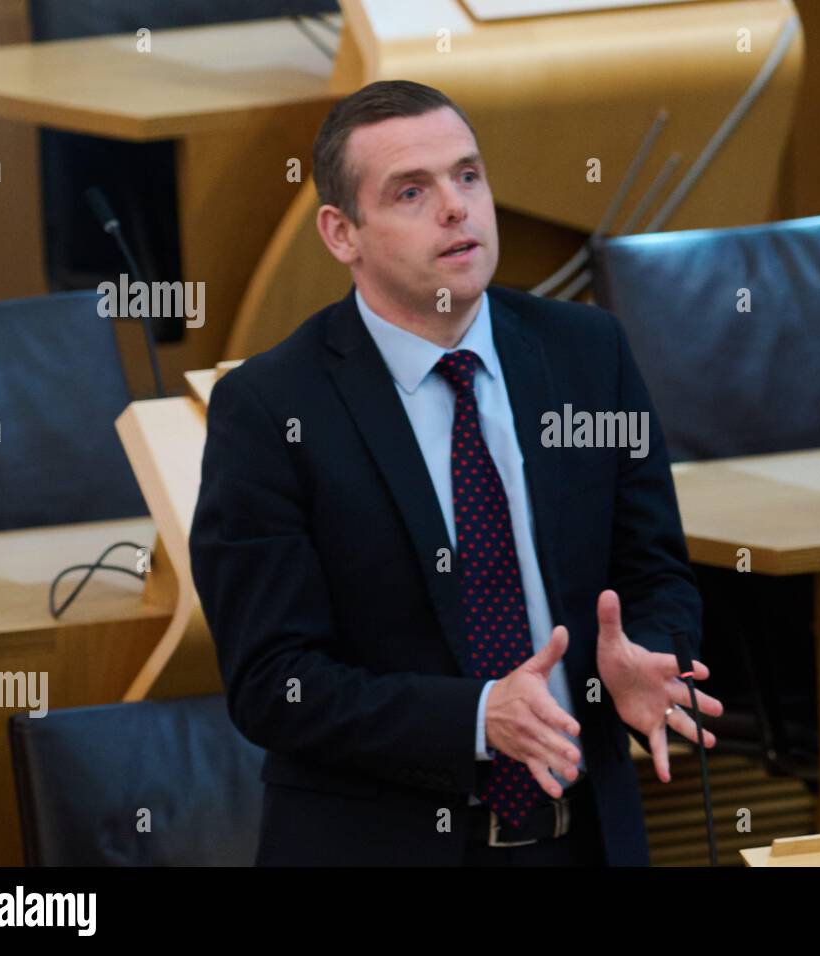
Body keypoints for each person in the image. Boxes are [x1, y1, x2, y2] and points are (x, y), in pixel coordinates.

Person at [189, 79, 722, 866]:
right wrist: (478, 717)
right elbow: (275, 682)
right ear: (342, 234)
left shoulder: (587, 352)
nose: (456, 207)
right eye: (412, 191)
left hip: (584, 838)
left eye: (468, 175)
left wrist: (646, 654)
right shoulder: (268, 408)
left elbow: (655, 574)